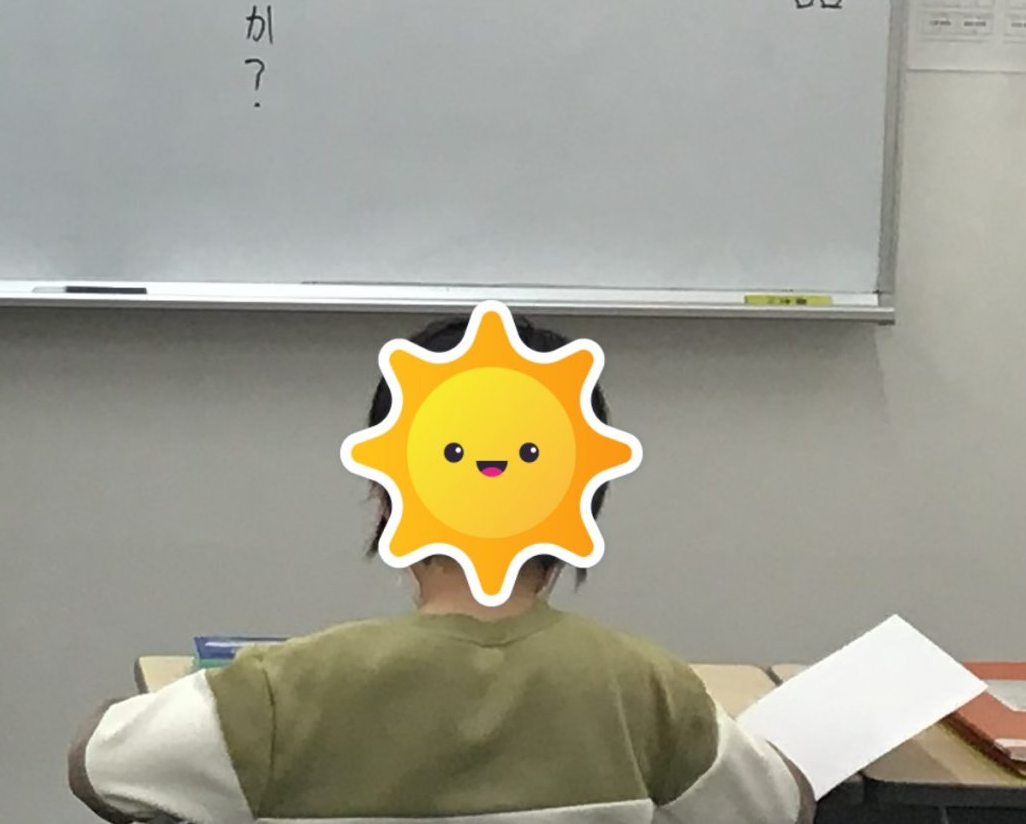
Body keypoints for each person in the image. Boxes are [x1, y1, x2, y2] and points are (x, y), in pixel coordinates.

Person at [65, 312, 815, 824]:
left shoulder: (278, 694)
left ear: (386, 490)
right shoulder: (650, 692)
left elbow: (100, 766)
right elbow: (782, 804)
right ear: (584, 497)